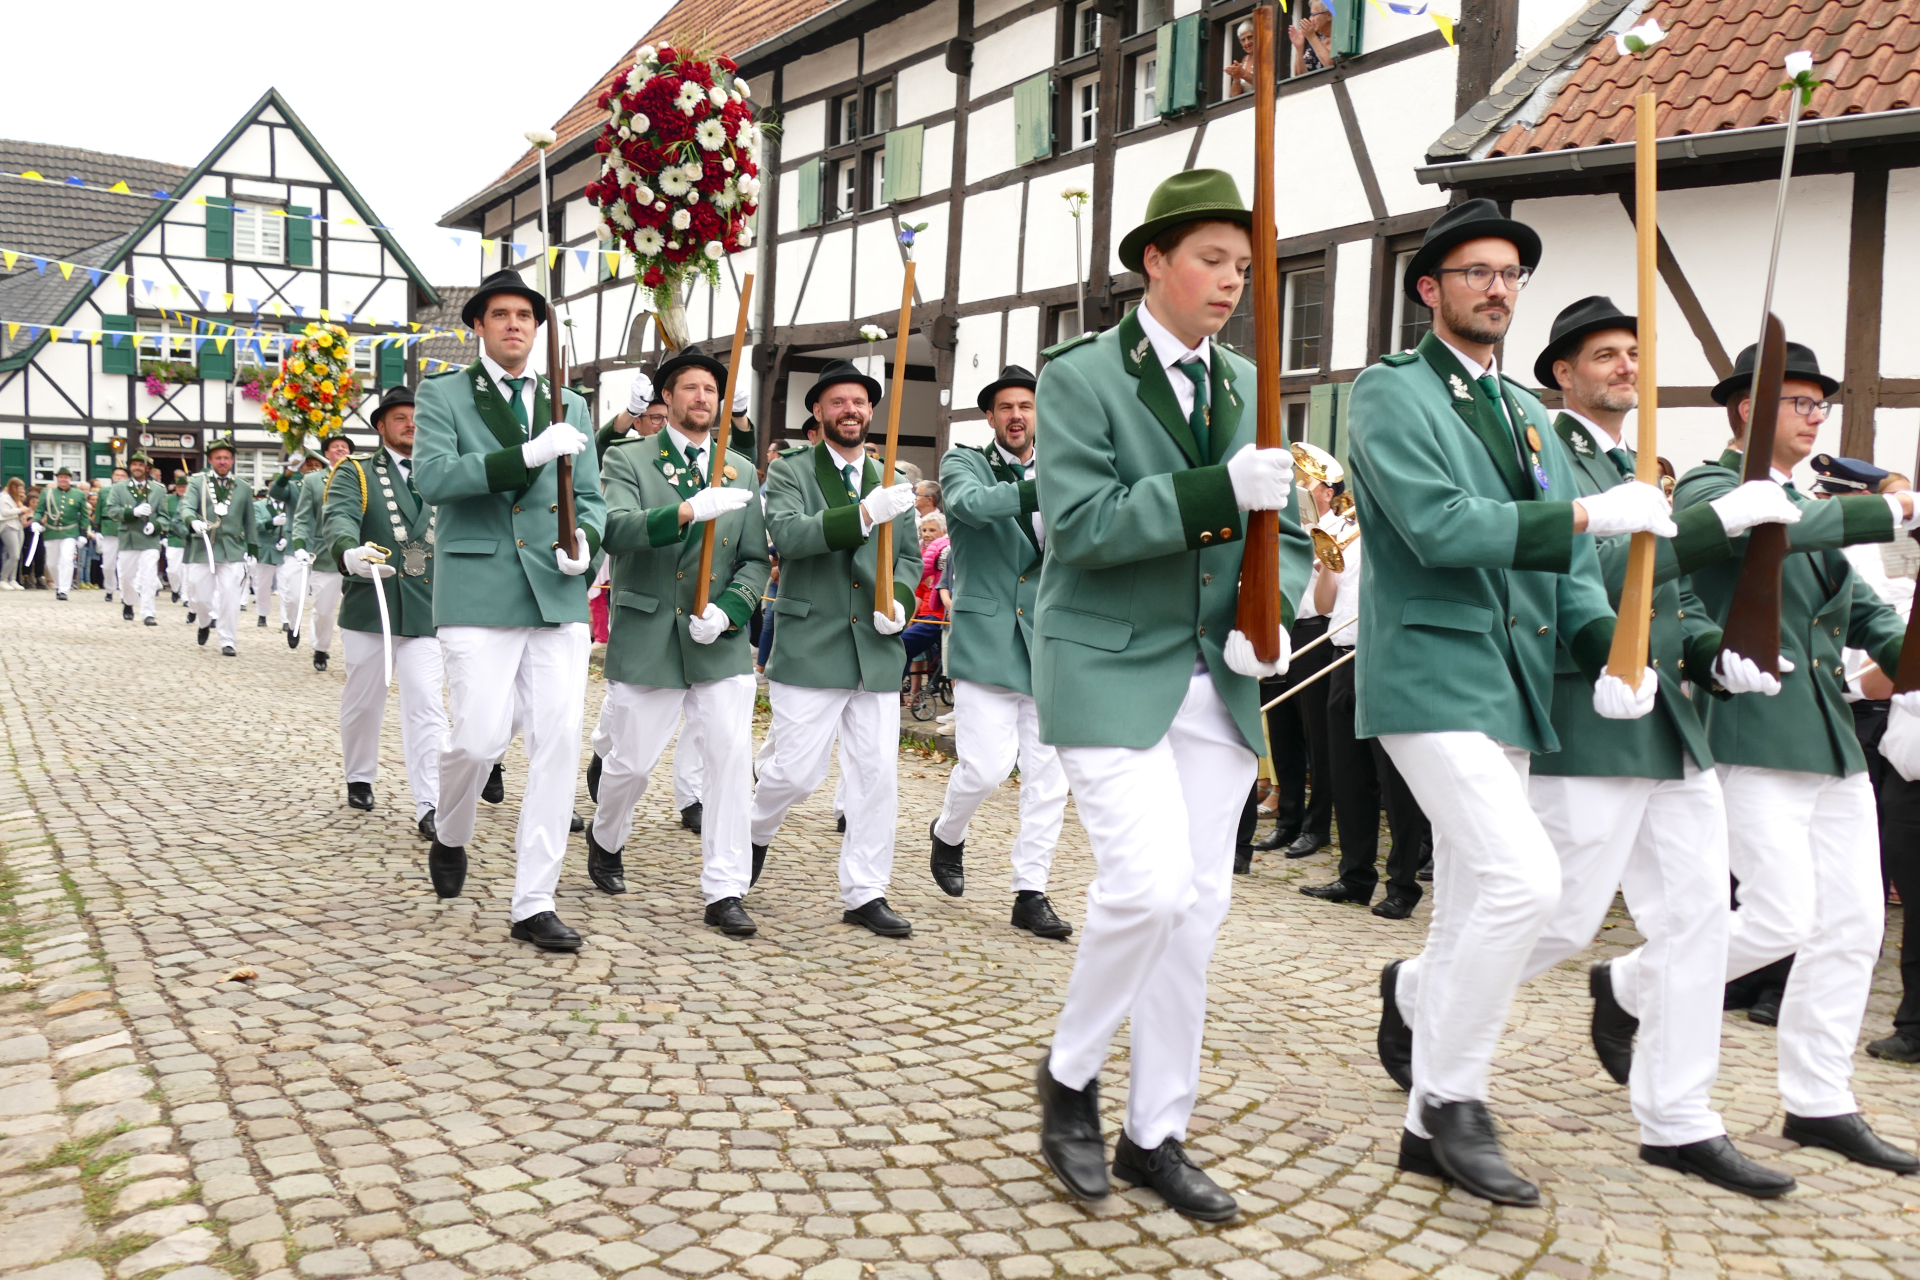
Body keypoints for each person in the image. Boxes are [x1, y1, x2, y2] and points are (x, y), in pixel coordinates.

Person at [1352, 201, 1674, 1206]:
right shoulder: (1392, 390)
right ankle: (1456, 1098)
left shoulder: (1527, 415)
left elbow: (1567, 578)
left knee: (1466, 915)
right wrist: (1584, 509)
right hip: (1430, 670)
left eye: (1510, 275)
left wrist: (1609, 654)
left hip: (1516, 682)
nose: (1497, 289)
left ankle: (1423, 1130)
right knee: (1525, 881)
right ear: (1430, 289)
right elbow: (1441, 525)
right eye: (1476, 272)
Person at [1031, 170, 1311, 1221]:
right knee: (1146, 890)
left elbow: (1283, 535)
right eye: (1211, 259)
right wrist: (1214, 492)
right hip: (1107, 660)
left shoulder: (1251, 382)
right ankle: (1069, 1072)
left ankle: (1156, 1133)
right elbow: (1082, 525)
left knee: (1196, 915)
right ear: (1154, 261)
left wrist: (1269, 613)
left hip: (1219, 677)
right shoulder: (1080, 378)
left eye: (1243, 265)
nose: (1232, 281)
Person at [1672, 340, 1920, 1173]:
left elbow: (1862, 615)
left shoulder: (1807, 503)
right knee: (1779, 915)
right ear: (1749, 408)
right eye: (1801, 402)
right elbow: (1768, 527)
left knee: (1853, 924)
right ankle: (1635, 985)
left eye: (1821, 405)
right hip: (1749, 730)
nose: (1817, 418)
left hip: (1828, 739)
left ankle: (1819, 1099)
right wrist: (1892, 510)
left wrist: (1912, 650)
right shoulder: (1712, 487)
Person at [413, 267, 606, 953]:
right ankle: (451, 828)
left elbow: (591, 497)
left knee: (557, 744)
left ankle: (535, 901)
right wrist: (523, 454)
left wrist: (586, 543)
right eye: (500, 314)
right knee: (477, 740)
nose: (514, 325)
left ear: (538, 327)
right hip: (478, 588)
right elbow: (433, 478)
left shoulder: (569, 403)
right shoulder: (443, 394)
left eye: (525, 315)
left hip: (556, 593)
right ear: (478, 326)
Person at [590, 348, 768, 935]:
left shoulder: (739, 469)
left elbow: (754, 559)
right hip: (650, 632)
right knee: (631, 766)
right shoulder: (629, 458)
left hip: (717, 639)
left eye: (710, 390)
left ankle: (725, 888)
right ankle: (606, 836)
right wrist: (687, 511)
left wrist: (730, 610)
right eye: (690, 388)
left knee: (729, 764)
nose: (701, 398)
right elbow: (615, 528)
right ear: (667, 399)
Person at [750, 358, 922, 937]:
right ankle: (754, 827)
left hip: (875, 648)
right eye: (838, 402)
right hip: (811, 642)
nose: (851, 410)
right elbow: (790, 537)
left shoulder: (889, 477)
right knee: (797, 775)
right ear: (819, 412)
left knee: (876, 777)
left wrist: (900, 600)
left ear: (871, 412)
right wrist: (865, 513)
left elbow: (908, 558)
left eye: (860, 402)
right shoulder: (792, 471)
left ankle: (866, 891)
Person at [931, 364, 1073, 938]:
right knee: (986, 769)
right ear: (990, 416)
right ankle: (948, 832)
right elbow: (971, 505)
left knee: (1050, 781)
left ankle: (1030, 891)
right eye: (1007, 407)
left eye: (1027, 406)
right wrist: (1051, 484)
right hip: (987, 638)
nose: (1017, 416)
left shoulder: (1065, 464)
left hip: (1049, 644)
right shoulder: (963, 461)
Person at [1296, 486, 1434, 917]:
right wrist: (1326, 564)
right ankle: (1355, 877)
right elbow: (1324, 605)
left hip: (1388, 659)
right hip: (1342, 658)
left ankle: (1403, 885)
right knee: (1349, 776)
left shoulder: (1404, 535)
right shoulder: (1346, 536)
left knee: (1395, 781)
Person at [323, 385, 446, 836]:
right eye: (400, 417)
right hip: (372, 607)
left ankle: (431, 804)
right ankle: (359, 774)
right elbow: (339, 516)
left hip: (427, 609)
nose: (412, 424)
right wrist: (347, 551)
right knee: (364, 700)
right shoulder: (356, 472)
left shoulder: (441, 474)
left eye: (418, 418)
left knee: (427, 705)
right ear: (381, 426)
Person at [179, 438, 260, 656]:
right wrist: (191, 521)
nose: (222, 461)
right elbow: (187, 507)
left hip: (232, 548)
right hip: (203, 546)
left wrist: (253, 550)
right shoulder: (198, 482)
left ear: (232, 460)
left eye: (226, 458)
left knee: (230, 597)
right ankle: (204, 621)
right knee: (200, 596)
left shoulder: (243, 486)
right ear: (210, 460)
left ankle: (227, 640)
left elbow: (249, 520)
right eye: (218, 458)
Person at [290, 435, 352, 670]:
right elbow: (303, 516)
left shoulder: (362, 477)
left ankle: (354, 657)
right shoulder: (313, 480)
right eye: (335, 447)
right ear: (326, 453)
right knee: (323, 609)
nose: (340, 450)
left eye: (344, 447)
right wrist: (300, 545)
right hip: (325, 555)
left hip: (357, 553)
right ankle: (321, 647)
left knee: (356, 609)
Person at [101, 453, 168, 624]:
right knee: (125, 576)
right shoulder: (119, 488)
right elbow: (111, 510)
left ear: (147, 468)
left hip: (149, 539)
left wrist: (156, 525)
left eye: (140, 465)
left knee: (149, 576)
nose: (137, 468)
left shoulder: (158, 489)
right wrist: (132, 512)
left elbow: (164, 516)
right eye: (134, 464)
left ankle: (148, 612)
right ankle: (128, 601)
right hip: (128, 537)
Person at [33, 468, 90, 599]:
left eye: (66, 477)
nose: (63, 479)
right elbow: (39, 510)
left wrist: (83, 534)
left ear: (69, 479)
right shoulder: (47, 493)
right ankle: (59, 586)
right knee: (51, 563)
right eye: (61, 477)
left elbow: (84, 516)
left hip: (70, 531)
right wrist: (36, 521)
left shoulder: (78, 494)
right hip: (51, 531)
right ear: (57, 478)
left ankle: (64, 590)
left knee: (66, 559)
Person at [96, 467, 125, 600]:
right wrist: (97, 529)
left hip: (125, 529)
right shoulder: (104, 491)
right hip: (108, 529)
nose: (119, 477)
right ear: (112, 477)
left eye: (122, 475)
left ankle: (125, 592)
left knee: (125, 564)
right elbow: (98, 510)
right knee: (108, 564)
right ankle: (109, 589)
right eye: (117, 475)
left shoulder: (130, 492)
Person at [163, 475, 189, 602]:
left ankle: (185, 596)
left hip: (190, 539)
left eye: (184, 487)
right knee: (173, 570)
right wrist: (163, 534)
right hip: (173, 538)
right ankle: (175, 589)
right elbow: (164, 516)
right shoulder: (168, 500)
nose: (182, 489)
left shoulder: (193, 500)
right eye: (179, 487)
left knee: (187, 570)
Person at [0, 477, 24, 589]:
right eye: (20, 488)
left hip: (18, 526)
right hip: (8, 527)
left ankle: (12, 579)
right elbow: (4, 513)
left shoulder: (15, 498)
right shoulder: (4, 497)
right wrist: (20, 510)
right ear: (14, 487)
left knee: (17, 556)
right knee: (13, 555)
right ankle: (3, 579)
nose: (22, 490)